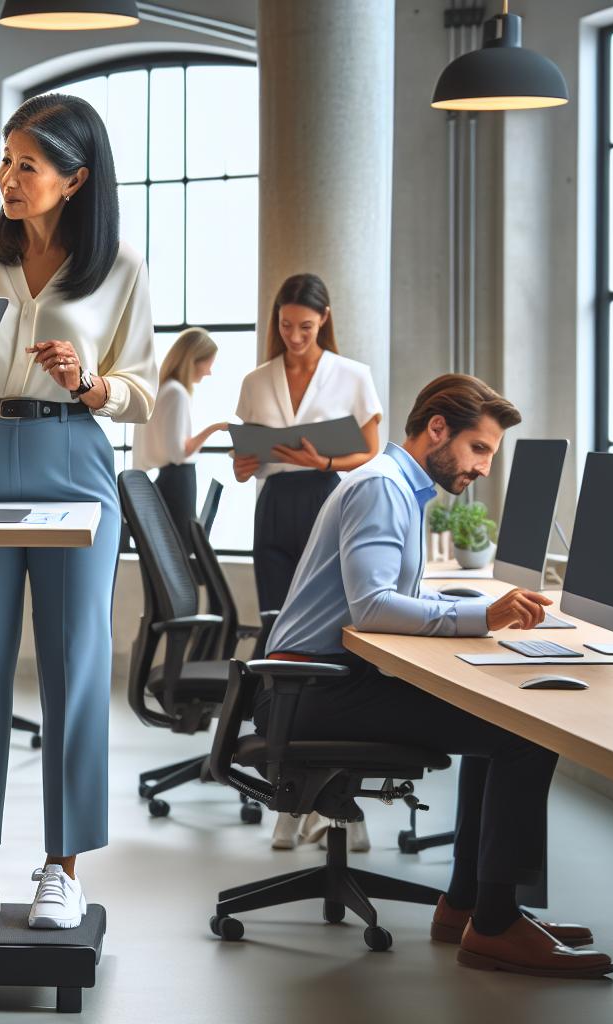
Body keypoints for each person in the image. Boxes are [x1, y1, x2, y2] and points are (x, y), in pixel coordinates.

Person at [261, 373, 612, 979]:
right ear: (437, 429)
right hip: (313, 689)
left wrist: (460, 608)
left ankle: (467, 906)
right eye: (479, 450)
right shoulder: (381, 489)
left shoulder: (396, 486)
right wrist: (478, 615)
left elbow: (386, 598)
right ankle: (496, 926)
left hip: (324, 680)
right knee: (529, 731)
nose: (482, 469)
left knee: (497, 717)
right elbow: (372, 607)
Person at [0, 93, 156, 931]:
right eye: (5, 160)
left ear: (75, 179)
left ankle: (62, 867)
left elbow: (139, 390)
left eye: (29, 165)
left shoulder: (120, 268)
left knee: (74, 668)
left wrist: (92, 384)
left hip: (74, 458)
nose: (10, 178)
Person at [232, 273, 382, 851]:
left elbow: (369, 451)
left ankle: (344, 805)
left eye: (306, 327)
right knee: (279, 643)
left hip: (330, 502)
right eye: (285, 325)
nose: (294, 337)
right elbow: (247, 458)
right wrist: (245, 464)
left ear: (324, 322)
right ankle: (287, 798)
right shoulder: (255, 380)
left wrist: (324, 460)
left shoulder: (353, 376)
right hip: (274, 509)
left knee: (333, 647)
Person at [132, 327, 227, 540]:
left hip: (165, 482)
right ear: (193, 360)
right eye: (208, 363)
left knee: (167, 553)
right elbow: (179, 453)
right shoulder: (176, 393)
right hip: (178, 483)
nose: (209, 371)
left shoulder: (162, 390)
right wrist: (214, 428)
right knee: (181, 552)